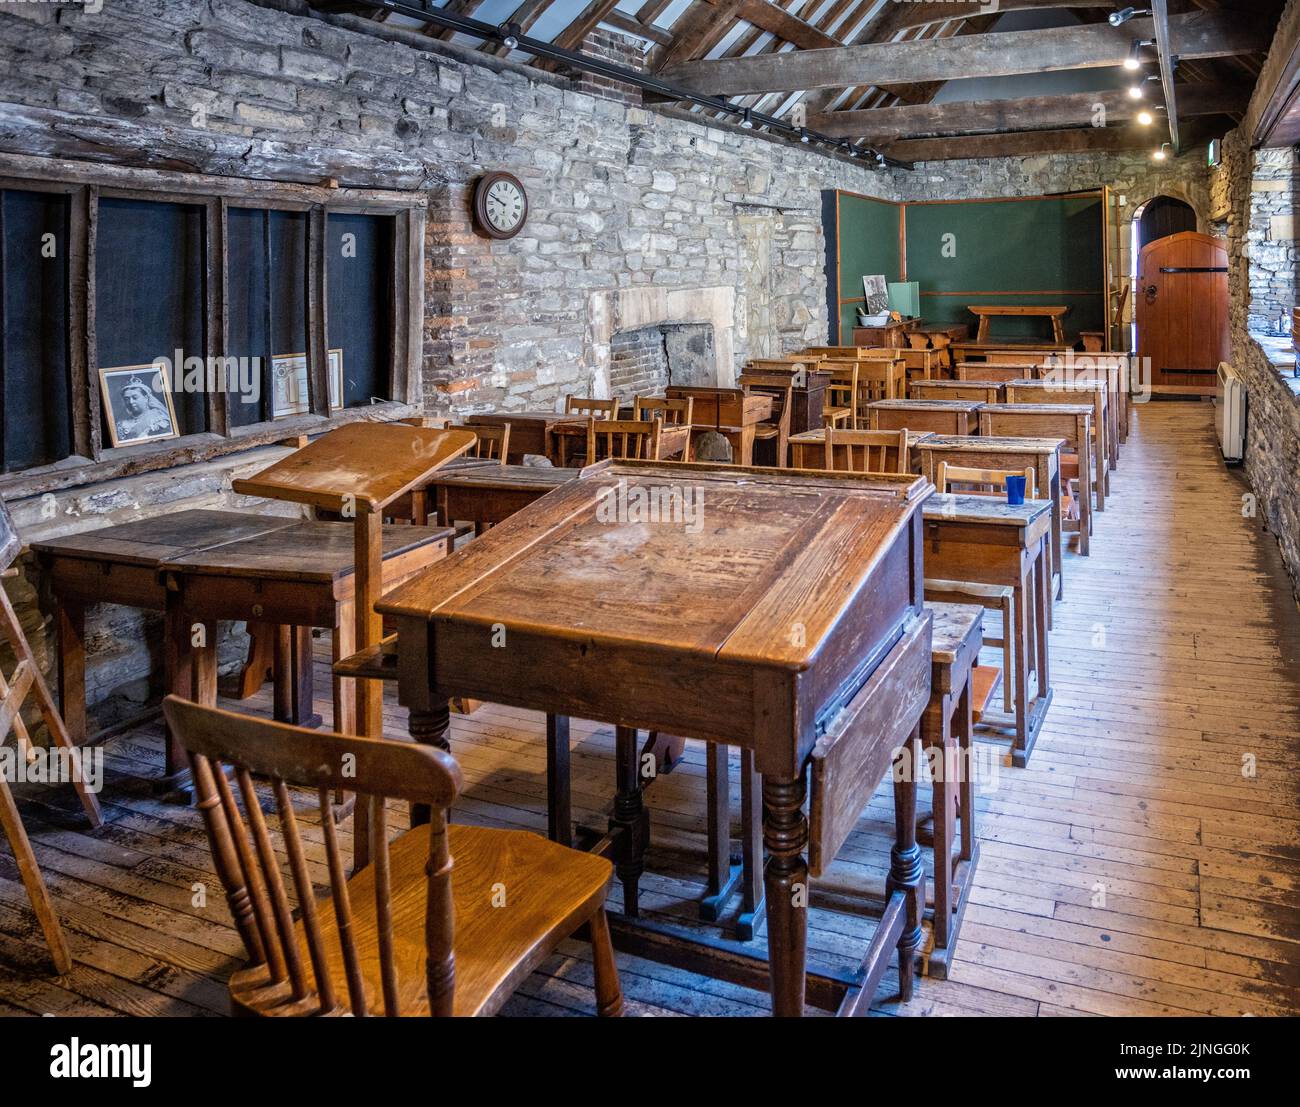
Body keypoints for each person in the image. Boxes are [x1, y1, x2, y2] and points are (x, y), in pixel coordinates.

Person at [115, 375, 173, 442]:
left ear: (146, 398)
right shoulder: (122, 423)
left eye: (135, 397)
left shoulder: (158, 418)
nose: (131, 402)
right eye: (126, 399)